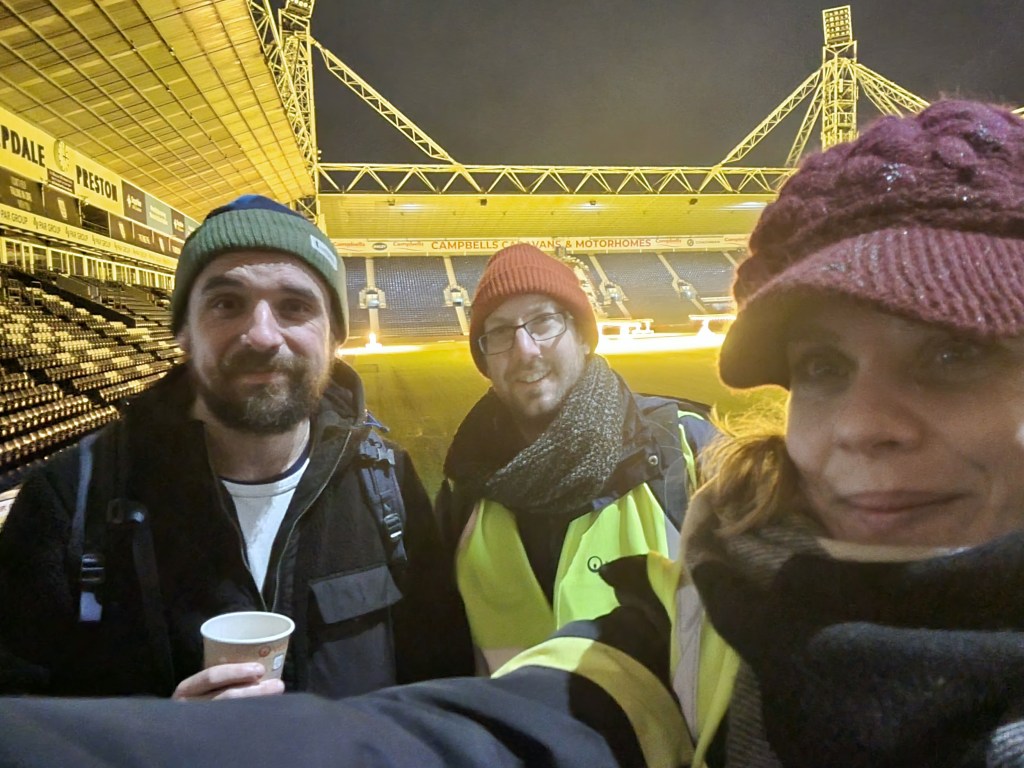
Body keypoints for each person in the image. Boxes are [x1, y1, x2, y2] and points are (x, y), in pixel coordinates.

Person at [5, 99, 1024, 768]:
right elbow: (471, 715)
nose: (865, 427)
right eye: (822, 367)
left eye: (951, 353)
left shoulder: (682, 471)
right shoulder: (708, 600)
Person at [0, 194, 471, 701]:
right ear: (183, 331)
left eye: (295, 307)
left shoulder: (387, 483)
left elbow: (439, 691)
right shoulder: (68, 500)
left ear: (335, 337)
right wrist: (156, 737)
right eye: (227, 303)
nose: (262, 335)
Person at [437, 242, 718, 672]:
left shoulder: (685, 447)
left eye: (543, 322)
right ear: (485, 361)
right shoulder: (462, 497)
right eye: (500, 332)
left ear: (584, 336)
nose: (525, 349)